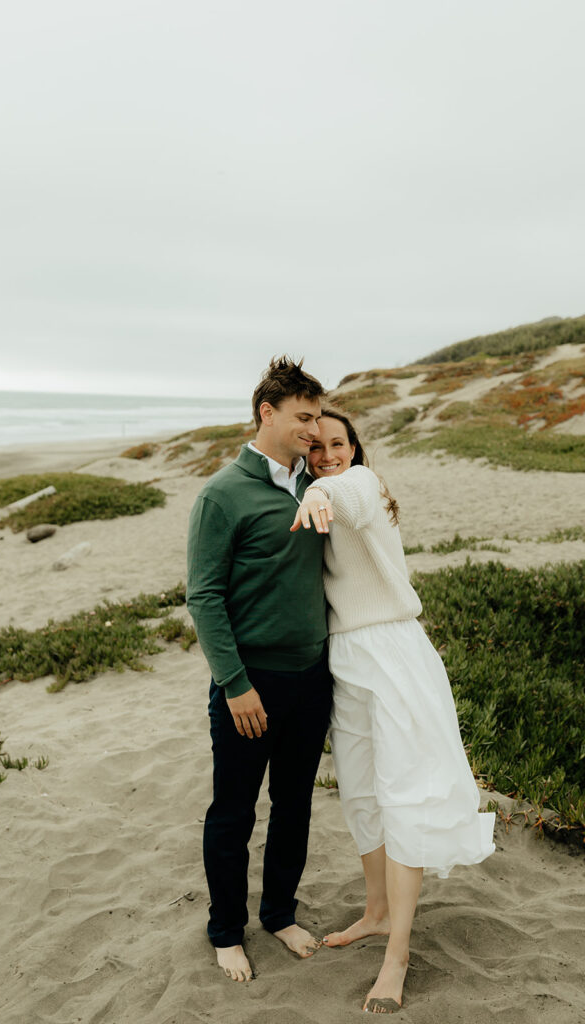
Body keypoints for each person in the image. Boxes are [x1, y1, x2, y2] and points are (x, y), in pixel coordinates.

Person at [291, 408, 495, 1014]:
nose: (327, 454)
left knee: (404, 796)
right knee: (359, 793)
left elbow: (348, 493)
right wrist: (311, 490)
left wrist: (322, 487)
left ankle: (397, 955)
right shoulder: (311, 491)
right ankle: (376, 912)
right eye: (316, 448)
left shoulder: (360, 485)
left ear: (354, 448)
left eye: (337, 444)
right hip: (345, 658)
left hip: (393, 655)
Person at [187, 357, 334, 983]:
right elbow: (204, 596)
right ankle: (226, 931)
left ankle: (278, 914)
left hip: (311, 679)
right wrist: (235, 684)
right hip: (251, 685)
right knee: (234, 812)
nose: (312, 430)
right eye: (303, 418)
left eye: (318, 418)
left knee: (294, 805)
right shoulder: (222, 494)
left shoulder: (316, 485)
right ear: (265, 413)